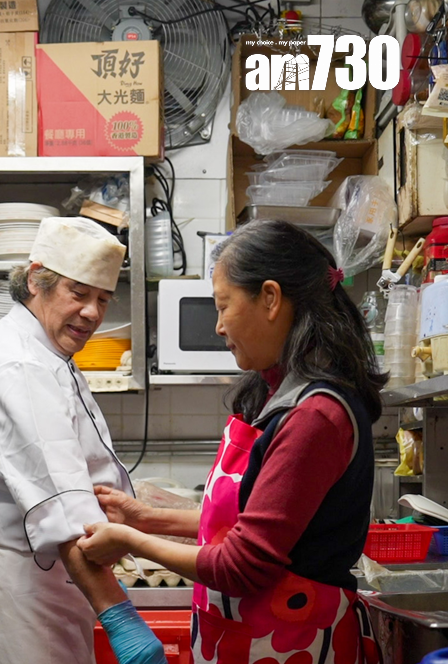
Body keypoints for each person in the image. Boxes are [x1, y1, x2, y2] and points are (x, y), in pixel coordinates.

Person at [78, 219, 385, 664]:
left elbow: (242, 565)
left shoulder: (314, 416)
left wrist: (129, 539)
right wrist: (146, 519)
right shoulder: (277, 396)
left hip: (294, 644)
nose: (219, 326)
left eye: (223, 306)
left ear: (270, 298)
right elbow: (248, 522)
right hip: (252, 640)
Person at [0, 216, 165, 664]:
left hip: (51, 582)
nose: (92, 313)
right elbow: (61, 505)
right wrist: (121, 617)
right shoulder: (21, 364)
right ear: (36, 279)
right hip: (24, 594)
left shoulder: (42, 349)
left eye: (103, 299)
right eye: (79, 293)